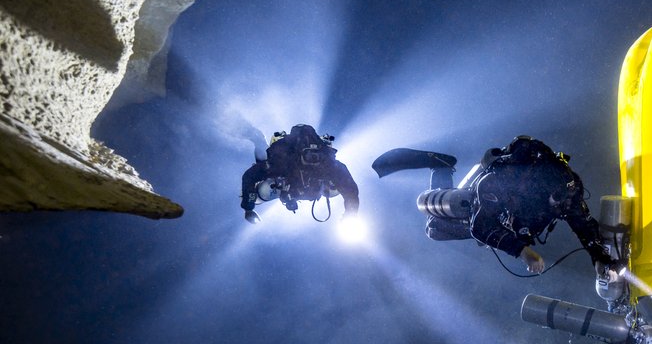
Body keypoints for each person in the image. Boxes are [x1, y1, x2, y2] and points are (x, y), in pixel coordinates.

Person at [373, 135, 612, 274]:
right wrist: (523, 252)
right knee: (433, 229)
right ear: (540, 189)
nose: (562, 205)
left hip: (508, 219)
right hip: (482, 206)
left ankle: (442, 170)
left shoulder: (569, 193)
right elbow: (480, 227)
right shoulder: (505, 183)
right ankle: (441, 165)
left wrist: (598, 256)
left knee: (438, 229)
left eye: (566, 199)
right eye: (557, 199)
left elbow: (584, 225)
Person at [240, 123, 359, 224]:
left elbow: (350, 191)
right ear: (301, 154)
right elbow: (250, 176)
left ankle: (256, 137)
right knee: (263, 192)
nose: (312, 161)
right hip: (283, 176)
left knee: (336, 189)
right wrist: (248, 207)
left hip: (294, 184)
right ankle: (243, 128)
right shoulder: (283, 163)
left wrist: (351, 214)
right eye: (309, 156)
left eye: (315, 157)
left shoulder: (329, 166)